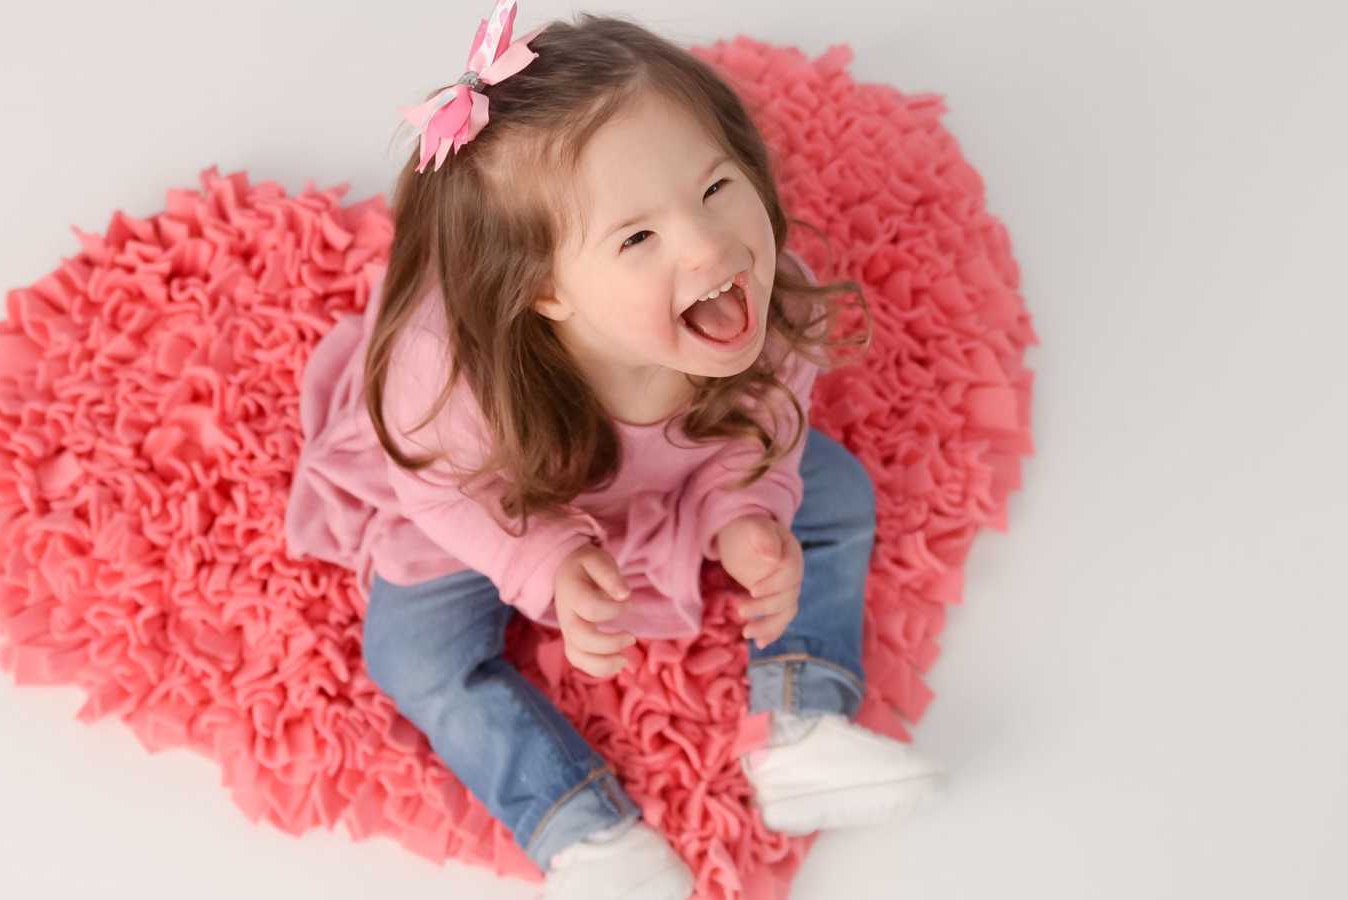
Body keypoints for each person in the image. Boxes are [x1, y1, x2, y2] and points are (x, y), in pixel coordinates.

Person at [285, 4, 944, 898]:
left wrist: (747, 512)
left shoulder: (760, 300)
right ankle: (580, 829)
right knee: (413, 658)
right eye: (638, 238)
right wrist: (542, 558)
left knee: (835, 491)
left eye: (716, 188)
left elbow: (767, 424)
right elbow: (442, 491)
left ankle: (801, 723)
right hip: (501, 498)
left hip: (668, 467)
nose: (711, 247)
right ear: (544, 293)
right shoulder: (450, 378)